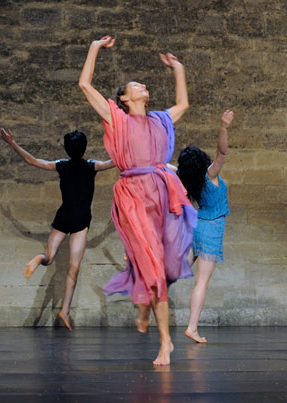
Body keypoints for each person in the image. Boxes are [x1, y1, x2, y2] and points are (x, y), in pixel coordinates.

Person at [79, 35, 196, 365]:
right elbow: (84, 84)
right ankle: (165, 341)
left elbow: (183, 104)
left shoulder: (159, 119)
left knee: (161, 266)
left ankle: (145, 306)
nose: (142, 85)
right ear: (124, 98)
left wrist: (179, 69)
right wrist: (94, 48)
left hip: (161, 192)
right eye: (136, 85)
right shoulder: (117, 118)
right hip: (133, 197)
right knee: (153, 266)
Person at [0, 127, 115, 331]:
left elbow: (33, 161)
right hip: (81, 220)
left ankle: (39, 258)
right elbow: (113, 162)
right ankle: (65, 310)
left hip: (63, 215)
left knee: (49, 256)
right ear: (84, 148)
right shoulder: (91, 166)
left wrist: (12, 143)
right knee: (73, 268)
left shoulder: (61, 165)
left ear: (67, 149)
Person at [177, 110, 234, 343]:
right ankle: (192, 327)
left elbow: (170, 168)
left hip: (198, 227)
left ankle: (141, 266)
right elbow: (222, 153)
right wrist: (223, 127)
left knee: (175, 269)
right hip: (210, 231)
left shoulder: (188, 177)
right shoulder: (209, 175)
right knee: (201, 282)